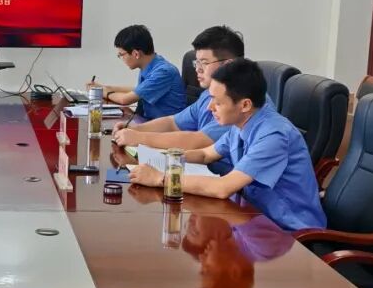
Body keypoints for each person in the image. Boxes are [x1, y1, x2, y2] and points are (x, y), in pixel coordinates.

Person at [129, 58, 325, 231]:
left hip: (288, 233)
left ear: (245, 105)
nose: (210, 107)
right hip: (253, 217)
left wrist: (160, 178)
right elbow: (206, 154)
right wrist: (163, 157)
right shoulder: (242, 123)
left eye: (217, 101)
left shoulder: (273, 135)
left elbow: (223, 188)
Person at [114, 25, 244, 150]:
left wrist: (139, 137)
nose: (198, 69)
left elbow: (197, 140)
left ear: (227, 65)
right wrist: (134, 129)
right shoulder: (207, 95)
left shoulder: (238, 102)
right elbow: (172, 122)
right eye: (197, 62)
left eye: (204, 63)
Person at [89, 24, 187, 121]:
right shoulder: (151, 65)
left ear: (136, 54)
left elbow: (125, 100)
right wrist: (106, 87)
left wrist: (103, 92)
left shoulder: (163, 72)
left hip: (165, 128)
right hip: (149, 121)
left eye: (121, 55)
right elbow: (138, 90)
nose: (121, 58)